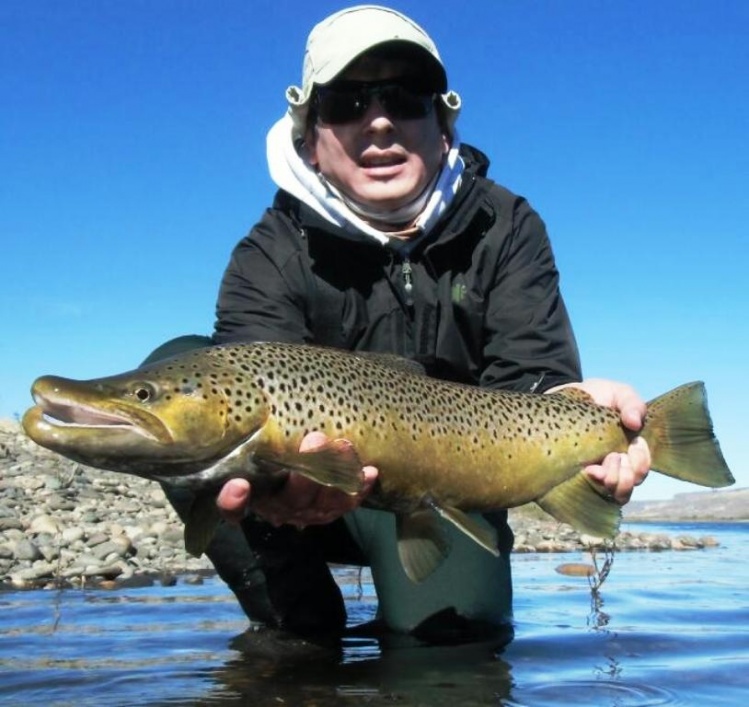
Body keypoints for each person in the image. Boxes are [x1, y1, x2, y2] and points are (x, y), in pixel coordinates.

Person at [147, 5, 651, 644]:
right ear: (310, 138)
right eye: (347, 102)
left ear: (443, 126)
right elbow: (252, 369)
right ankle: (299, 632)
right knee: (184, 369)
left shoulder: (508, 225)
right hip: (296, 499)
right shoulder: (269, 249)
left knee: (451, 658)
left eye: (406, 97)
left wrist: (574, 410)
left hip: (449, 496)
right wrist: (277, 482)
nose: (379, 119)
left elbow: (533, 379)